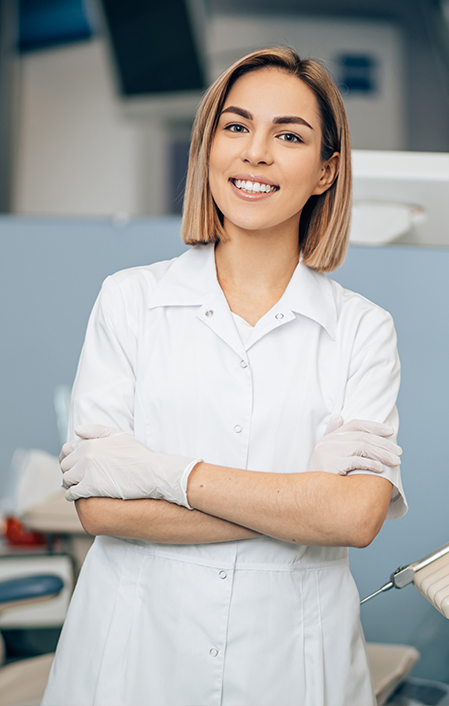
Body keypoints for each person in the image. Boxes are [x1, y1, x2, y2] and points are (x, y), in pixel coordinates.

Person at [42, 46, 406, 706]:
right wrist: (302, 502)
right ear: (208, 144)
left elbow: (354, 517)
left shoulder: (361, 330)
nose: (255, 153)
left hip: (289, 668)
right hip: (132, 660)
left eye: (288, 135)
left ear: (326, 171)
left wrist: (155, 474)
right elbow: (98, 508)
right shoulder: (130, 301)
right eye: (235, 127)